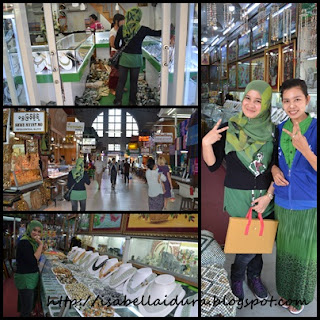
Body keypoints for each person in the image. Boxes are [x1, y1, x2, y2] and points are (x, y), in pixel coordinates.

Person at [202, 80, 275, 301]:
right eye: (247, 98)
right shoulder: (228, 127)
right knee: (249, 244)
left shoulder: (273, 130)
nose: (251, 105)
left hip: (265, 198)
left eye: (258, 101)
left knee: (259, 244)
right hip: (237, 198)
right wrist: (206, 144)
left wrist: (269, 195)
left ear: (266, 104)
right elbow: (213, 165)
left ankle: (250, 276)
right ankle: (239, 274)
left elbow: (279, 167)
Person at [271, 79, 317, 315]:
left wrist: (305, 149)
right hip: (282, 202)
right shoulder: (279, 128)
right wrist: (274, 170)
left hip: (308, 204)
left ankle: (299, 297)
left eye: (297, 99)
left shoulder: (316, 128)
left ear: (307, 100)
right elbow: (276, 162)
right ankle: (286, 291)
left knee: (304, 255)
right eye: (286, 101)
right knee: (285, 252)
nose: (292, 105)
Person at [113, 7, 161, 106]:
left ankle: (118, 101)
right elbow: (158, 33)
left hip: (124, 59)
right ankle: (132, 102)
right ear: (138, 17)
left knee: (121, 82)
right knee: (133, 82)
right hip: (136, 60)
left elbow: (116, 45)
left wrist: (124, 46)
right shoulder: (142, 29)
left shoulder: (122, 28)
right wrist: (171, 29)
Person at [14, 220, 45, 317]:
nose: (36, 233)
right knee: (26, 310)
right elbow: (33, 260)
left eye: (39, 231)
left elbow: (33, 258)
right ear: (29, 229)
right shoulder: (25, 242)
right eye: (34, 230)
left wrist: (40, 247)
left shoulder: (30, 241)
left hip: (29, 277)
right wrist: (41, 245)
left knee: (26, 305)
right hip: (25, 279)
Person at [108, 13, 125, 96]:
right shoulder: (113, 31)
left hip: (121, 52)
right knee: (114, 71)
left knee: (121, 71)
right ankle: (112, 88)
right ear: (116, 21)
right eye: (122, 21)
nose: (123, 22)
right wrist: (120, 48)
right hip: (115, 53)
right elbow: (112, 44)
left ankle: (120, 87)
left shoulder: (122, 29)